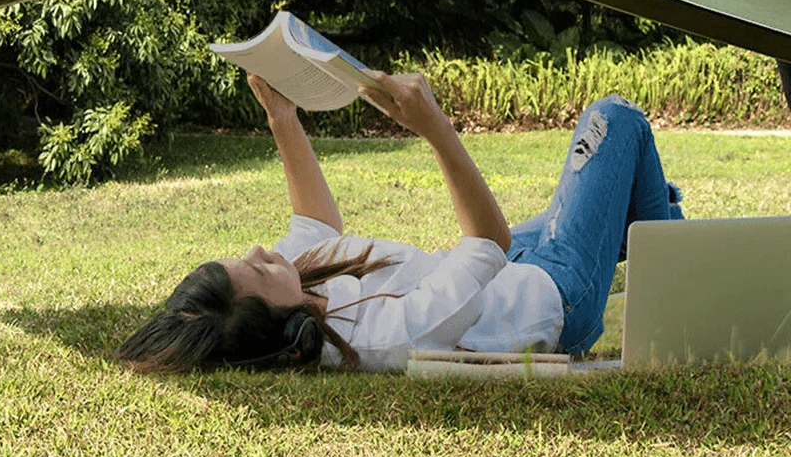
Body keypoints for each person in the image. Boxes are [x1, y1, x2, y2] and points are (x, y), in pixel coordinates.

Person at [115, 69, 684, 372]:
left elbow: (316, 228)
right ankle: (681, 289)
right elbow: (489, 237)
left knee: (618, 188)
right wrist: (433, 126)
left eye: (246, 257)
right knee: (616, 121)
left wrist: (281, 117)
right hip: (554, 292)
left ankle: (656, 225)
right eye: (258, 272)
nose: (263, 251)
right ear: (287, 329)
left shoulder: (299, 291)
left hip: (509, 268)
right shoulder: (387, 340)